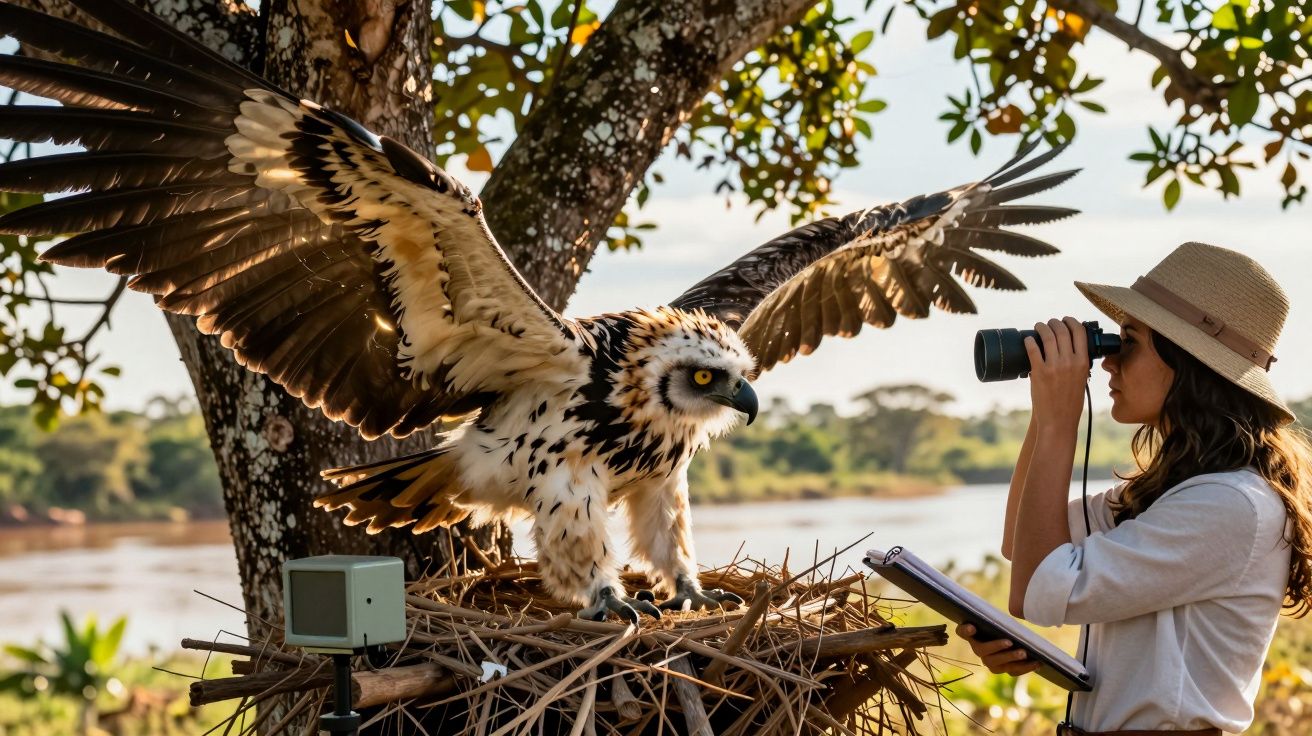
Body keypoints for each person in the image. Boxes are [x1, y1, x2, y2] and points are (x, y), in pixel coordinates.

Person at [957, 242, 1312, 736]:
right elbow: (1022, 546)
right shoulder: (1173, 491)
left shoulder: (1229, 503)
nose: (1108, 363)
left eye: (1129, 341)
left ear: (1188, 360)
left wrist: (1062, 420)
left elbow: (1035, 586)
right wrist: (1047, 412)